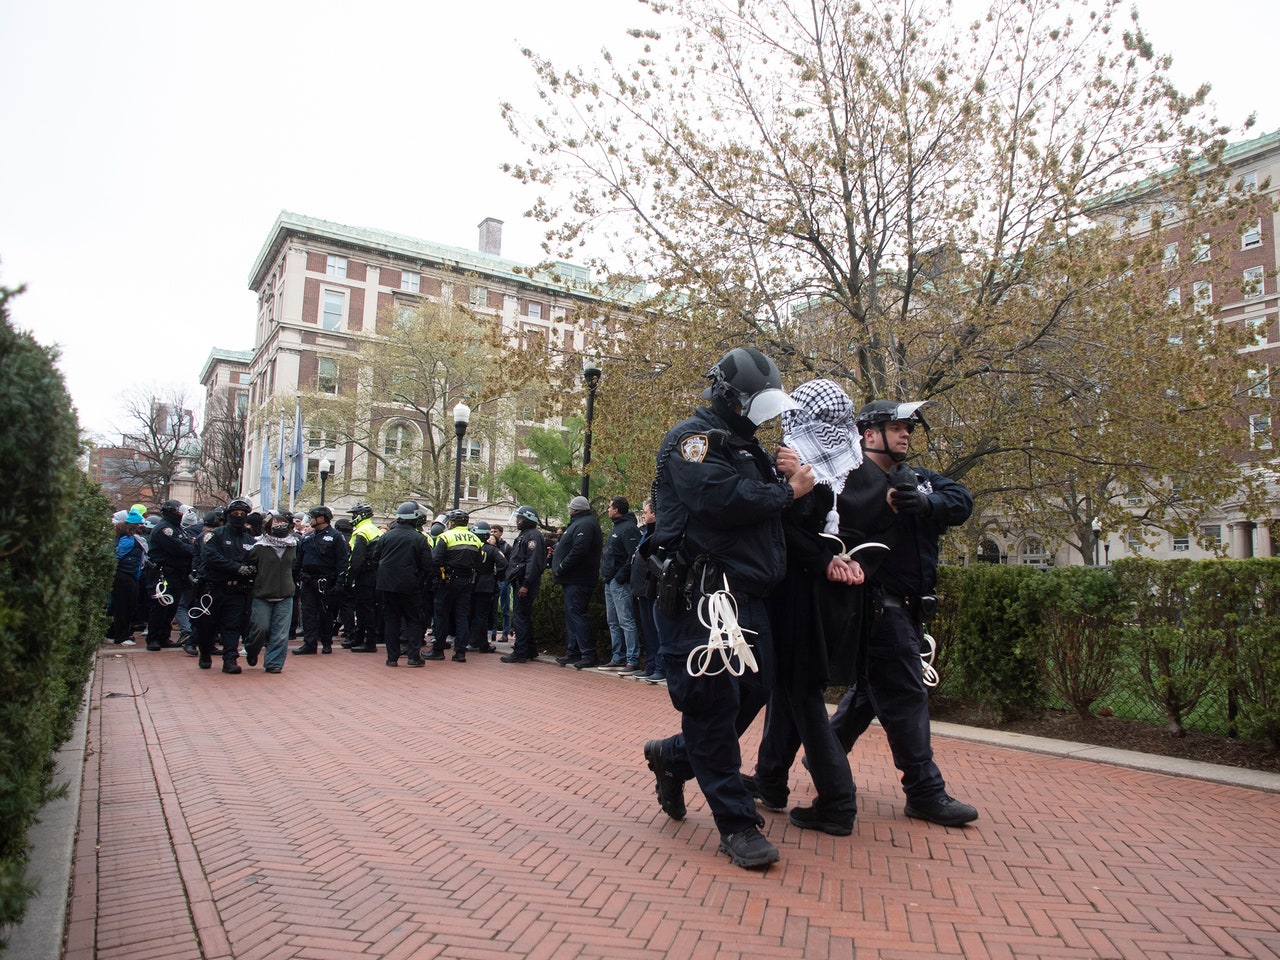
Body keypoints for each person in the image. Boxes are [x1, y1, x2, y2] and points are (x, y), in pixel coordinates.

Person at [641, 346, 814, 870]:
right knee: (711, 705)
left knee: (756, 689)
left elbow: (762, 509)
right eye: (752, 404)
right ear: (725, 395)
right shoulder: (693, 440)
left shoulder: (748, 446)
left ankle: (673, 758)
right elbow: (720, 501)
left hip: (746, 596)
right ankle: (736, 825)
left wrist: (786, 476)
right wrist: (786, 490)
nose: (758, 415)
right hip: (703, 595)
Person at [746, 379, 888, 836]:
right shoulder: (864, 469)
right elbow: (875, 535)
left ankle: (837, 800)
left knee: (801, 694)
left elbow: (787, 531)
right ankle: (770, 779)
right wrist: (854, 564)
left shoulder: (808, 467)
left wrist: (791, 487)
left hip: (802, 597)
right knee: (789, 691)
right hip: (844, 600)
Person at [828, 399, 979, 827]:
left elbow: (961, 500)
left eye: (908, 427)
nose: (905, 433)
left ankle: (825, 756)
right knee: (907, 695)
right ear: (868, 434)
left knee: (867, 696)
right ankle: (925, 791)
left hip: (911, 609)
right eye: (895, 426)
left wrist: (925, 504)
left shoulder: (920, 479)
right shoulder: (851, 479)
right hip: (879, 608)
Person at [198, 498, 257, 674]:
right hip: (214, 587)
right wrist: (237, 567)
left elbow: (254, 561)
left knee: (232, 626)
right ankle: (205, 652)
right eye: (234, 514)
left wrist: (250, 570)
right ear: (228, 515)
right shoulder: (215, 535)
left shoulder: (251, 540)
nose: (238, 517)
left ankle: (230, 659)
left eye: (242, 514)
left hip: (237, 591)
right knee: (207, 626)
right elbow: (211, 557)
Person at [376, 501, 432, 666]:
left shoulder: (386, 536)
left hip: (387, 584)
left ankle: (391, 658)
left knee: (391, 620)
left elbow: (375, 557)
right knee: (413, 620)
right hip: (410, 585)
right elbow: (427, 565)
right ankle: (413, 657)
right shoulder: (419, 538)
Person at [551, 495, 604, 669]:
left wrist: (561, 567)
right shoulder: (580, 523)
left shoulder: (585, 524)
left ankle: (587, 653)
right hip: (573, 578)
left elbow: (579, 549)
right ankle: (574, 652)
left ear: (575, 509)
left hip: (579, 578)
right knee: (572, 616)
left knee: (577, 615)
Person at [243, 510, 298, 674]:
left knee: (280, 633)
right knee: (260, 628)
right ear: (268, 526)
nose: (279, 526)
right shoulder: (259, 546)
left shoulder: (293, 545)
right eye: (275, 523)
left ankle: (274, 663)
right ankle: (252, 649)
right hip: (263, 594)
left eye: (282, 523)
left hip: (285, 595)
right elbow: (250, 564)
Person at [292, 505, 349, 655]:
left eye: (311, 517)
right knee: (308, 613)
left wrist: (339, 582)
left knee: (326, 613)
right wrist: (294, 575)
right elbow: (299, 560)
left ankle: (326, 642)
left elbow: (342, 561)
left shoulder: (336, 536)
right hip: (308, 581)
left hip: (326, 582)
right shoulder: (309, 537)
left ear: (321, 518)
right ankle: (309, 643)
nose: (309, 521)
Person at [428, 509, 483, 662]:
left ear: (451, 522)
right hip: (467, 582)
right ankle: (460, 652)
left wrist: (437, 578)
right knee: (462, 616)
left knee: (441, 615)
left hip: (447, 581)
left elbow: (435, 560)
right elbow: (479, 564)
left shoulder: (445, 536)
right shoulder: (475, 539)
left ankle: (438, 649)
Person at [142, 499, 194, 651]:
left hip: (176, 573)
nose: (181, 514)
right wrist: (190, 548)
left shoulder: (177, 528)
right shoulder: (164, 529)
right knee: (160, 606)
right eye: (178, 511)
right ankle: (153, 638)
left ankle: (164, 636)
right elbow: (179, 548)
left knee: (171, 606)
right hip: (163, 573)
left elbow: (188, 544)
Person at [600, 495, 643, 672]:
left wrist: (619, 577)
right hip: (610, 581)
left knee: (626, 620)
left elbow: (632, 556)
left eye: (610, 507)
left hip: (619, 582)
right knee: (613, 621)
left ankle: (632, 658)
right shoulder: (618, 527)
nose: (608, 510)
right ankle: (618, 656)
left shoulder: (628, 529)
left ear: (617, 510)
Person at [500, 506, 546, 664]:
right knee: (523, 617)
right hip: (520, 581)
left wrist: (526, 584)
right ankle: (530, 650)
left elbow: (532, 563)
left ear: (528, 519)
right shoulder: (525, 535)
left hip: (524, 583)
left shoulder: (533, 536)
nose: (518, 521)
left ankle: (520, 652)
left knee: (520, 617)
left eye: (520, 518)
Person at [626, 499, 664, 683]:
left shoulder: (660, 534)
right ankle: (650, 665)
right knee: (648, 631)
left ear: (655, 513)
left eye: (646, 512)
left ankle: (660, 667)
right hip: (641, 590)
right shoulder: (646, 533)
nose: (643, 515)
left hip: (653, 590)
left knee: (656, 631)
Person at [107, 509, 148, 645]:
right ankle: (121, 635)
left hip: (127, 575)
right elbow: (117, 556)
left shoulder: (128, 538)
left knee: (120, 606)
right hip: (125, 576)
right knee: (124, 607)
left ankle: (114, 633)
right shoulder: (128, 540)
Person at [345, 503, 382, 653]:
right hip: (375, 574)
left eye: (354, 514)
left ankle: (368, 642)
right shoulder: (375, 530)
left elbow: (356, 558)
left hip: (364, 576)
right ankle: (359, 638)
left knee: (364, 608)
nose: (352, 517)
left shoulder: (361, 532)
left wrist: (350, 576)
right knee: (370, 608)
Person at [468, 519, 507, 654]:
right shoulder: (492, 550)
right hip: (486, 585)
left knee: (470, 614)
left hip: (470, 583)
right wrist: (495, 576)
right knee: (482, 616)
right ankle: (482, 644)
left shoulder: (470, 548)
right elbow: (503, 564)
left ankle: (471, 641)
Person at [489, 524, 513, 644]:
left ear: (501, 533)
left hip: (503, 580)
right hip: (493, 580)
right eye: (491, 531)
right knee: (492, 608)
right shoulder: (489, 546)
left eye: (495, 531)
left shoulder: (506, 547)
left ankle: (505, 633)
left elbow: (509, 564)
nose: (493, 533)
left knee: (505, 607)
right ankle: (492, 633)